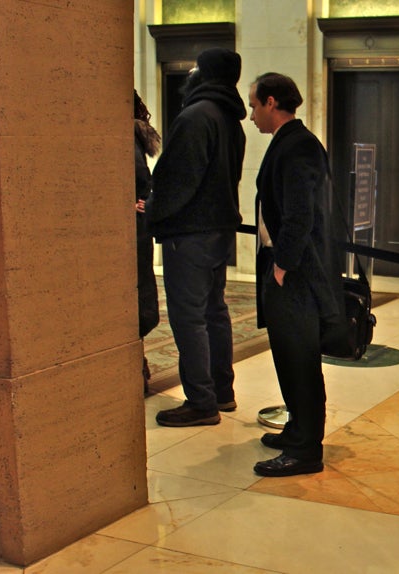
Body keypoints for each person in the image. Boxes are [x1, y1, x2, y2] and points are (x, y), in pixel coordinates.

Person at [248, 72, 345, 477]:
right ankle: (296, 429)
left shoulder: (298, 145)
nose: (251, 114)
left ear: (272, 102)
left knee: (300, 360)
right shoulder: (288, 143)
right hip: (289, 269)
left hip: (298, 273)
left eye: (254, 105)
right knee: (289, 357)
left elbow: (301, 212)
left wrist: (284, 266)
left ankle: (306, 450)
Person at [146, 48, 246, 427]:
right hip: (219, 231)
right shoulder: (229, 120)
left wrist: (153, 212)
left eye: (196, 68)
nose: (190, 73)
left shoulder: (194, 117)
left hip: (190, 234)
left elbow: (176, 181)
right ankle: (222, 392)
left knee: (190, 319)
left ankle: (201, 401)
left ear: (205, 75)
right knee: (214, 313)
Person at [134, 90, 161, 396]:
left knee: (138, 303)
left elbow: (144, 180)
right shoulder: (137, 135)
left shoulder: (128, 137)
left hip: (136, 232)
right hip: (139, 231)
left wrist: (140, 202)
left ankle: (137, 372)